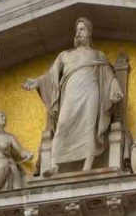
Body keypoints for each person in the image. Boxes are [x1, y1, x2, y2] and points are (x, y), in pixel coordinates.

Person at [25, 19, 114, 175]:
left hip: (90, 92)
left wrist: (115, 87)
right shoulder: (65, 55)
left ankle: (88, 165)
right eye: (77, 30)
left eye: (82, 29)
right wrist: (37, 82)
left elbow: (108, 75)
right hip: (71, 94)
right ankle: (54, 165)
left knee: (89, 126)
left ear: (89, 33)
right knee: (63, 124)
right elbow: (51, 76)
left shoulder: (97, 54)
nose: (78, 33)